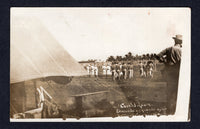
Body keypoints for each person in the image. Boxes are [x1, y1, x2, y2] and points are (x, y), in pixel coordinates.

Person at [157, 34, 182, 114]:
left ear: (175, 41)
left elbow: (158, 56)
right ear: (180, 41)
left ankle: (168, 109)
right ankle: (175, 110)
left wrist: (165, 62)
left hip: (168, 72)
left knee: (169, 91)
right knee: (177, 91)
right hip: (177, 72)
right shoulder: (180, 50)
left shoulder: (169, 48)